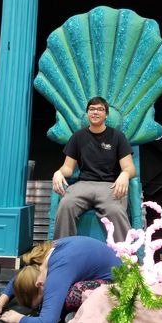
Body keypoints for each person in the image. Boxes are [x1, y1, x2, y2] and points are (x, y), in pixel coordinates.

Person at [0, 236, 122, 323]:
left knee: (71, 297)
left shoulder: (58, 272)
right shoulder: (40, 258)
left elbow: (48, 322)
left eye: (40, 302)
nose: (42, 304)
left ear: (40, 284)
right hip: (110, 266)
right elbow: (20, 278)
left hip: (120, 284)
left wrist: (19, 319)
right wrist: (0, 302)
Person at [52, 96, 136, 241]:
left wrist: (124, 174)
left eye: (100, 109)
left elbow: (130, 168)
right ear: (87, 113)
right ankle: (62, 252)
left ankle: (125, 258)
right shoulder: (77, 137)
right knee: (66, 204)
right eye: (92, 109)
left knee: (116, 210)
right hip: (83, 185)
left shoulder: (117, 137)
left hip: (109, 186)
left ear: (106, 114)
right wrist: (58, 172)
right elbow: (68, 168)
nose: (95, 112)